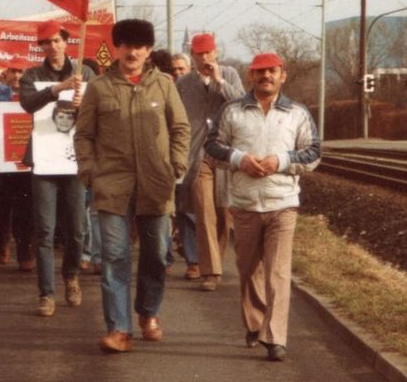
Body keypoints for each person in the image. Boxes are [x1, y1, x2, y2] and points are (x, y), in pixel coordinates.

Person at [74, 18, 189, 354]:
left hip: (156, 185)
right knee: (115, 257)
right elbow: (83, 135)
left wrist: (176, 167)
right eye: (126, 44)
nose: (133, 52)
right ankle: (118, 328)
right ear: (117, 48)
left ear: (149, 50)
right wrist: (89, 172)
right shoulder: (99, 87)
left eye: (140, 46)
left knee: (155, 255)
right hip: (111, 185)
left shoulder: (164, 85)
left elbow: (180, 128)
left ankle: (149, 312)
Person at [204, 52, 320, 363]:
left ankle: (275, 337)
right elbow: (212, 147)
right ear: (250, 76)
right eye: (259, 72)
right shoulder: (232, 111)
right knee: (248, 269)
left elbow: (313, 153)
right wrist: (239, 160)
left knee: (278, 273)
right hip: (243, 205)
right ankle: (255, 323)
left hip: (283, 204)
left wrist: (281, 162)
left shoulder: (297, 113)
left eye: (272, 71)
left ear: (283, 75)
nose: (266, 77)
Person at [19, 20, 97, 318]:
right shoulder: (32, 75)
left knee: (76, 229)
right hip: (44, 160)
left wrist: (82, 102)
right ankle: (46, 293)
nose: (52, 47)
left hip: (73, 160)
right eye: (46, 43)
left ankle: (72, 276)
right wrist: (58, 89)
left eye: (57, 40)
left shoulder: (85, 73)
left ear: (66, 41)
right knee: (45, 229)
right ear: (41, 47)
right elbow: (28, 103)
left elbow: (98, 108)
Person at [178, 34, 245, 292]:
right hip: (198, 156)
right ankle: (211, 270)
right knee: (203, 210)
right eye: (198, 54)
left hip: (226, 154)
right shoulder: (183, 83)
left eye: (208, 53)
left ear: (215, 53)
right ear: (192, 56)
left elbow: (242, 106)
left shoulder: (229, 74)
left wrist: (219, 83)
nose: (204, 58)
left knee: (222, 213)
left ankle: (214, 259)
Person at [0, 52, 32, 270]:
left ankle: (24, 253)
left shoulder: (35, 97)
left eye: (21, 72)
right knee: (2, 206)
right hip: (3, 163)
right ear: (7, 74)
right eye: (14, 71)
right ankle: (3, 242)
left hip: (28, 163)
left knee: (26, 209)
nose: (17, 76)